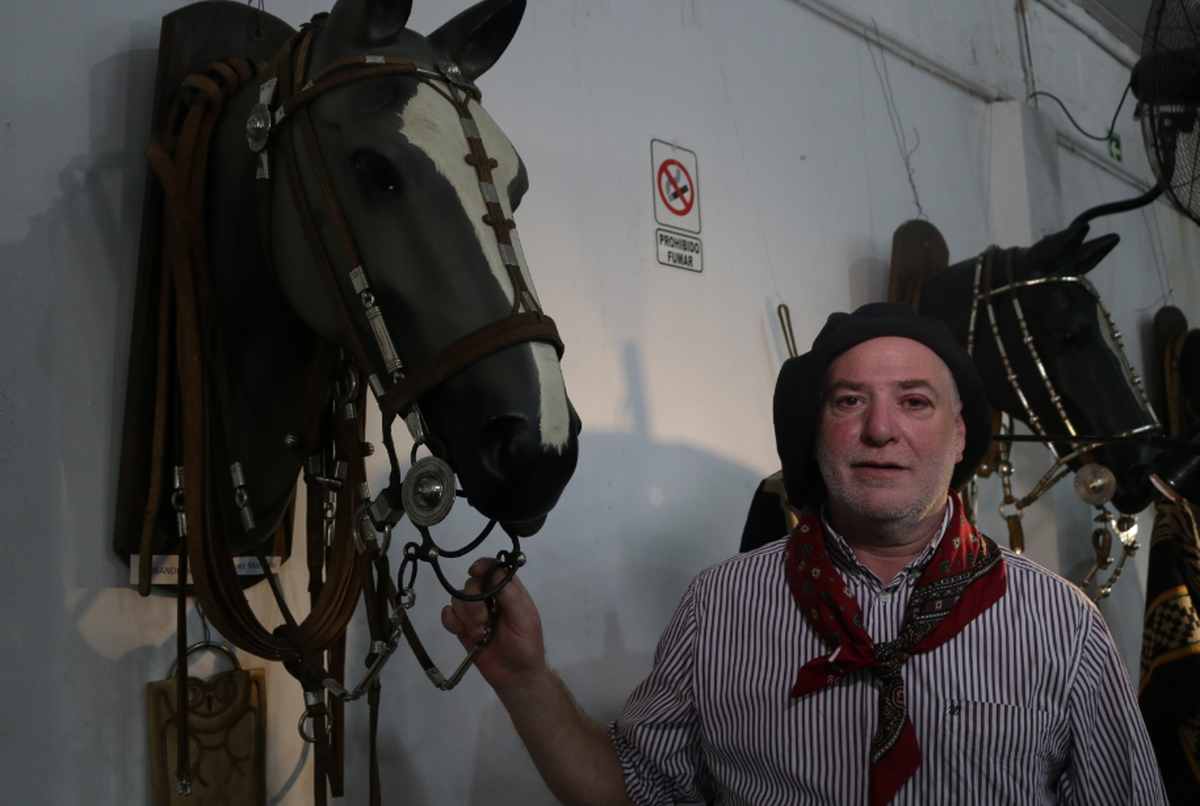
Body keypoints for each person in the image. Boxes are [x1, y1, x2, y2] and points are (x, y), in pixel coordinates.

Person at [442, 302, 1166, 805]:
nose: (880, 429)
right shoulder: (720, 606)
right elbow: (635, 795)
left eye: (915, 402)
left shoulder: (1058, 624)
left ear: (959, 436)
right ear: (816, 436)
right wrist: (527, 680)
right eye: (849, 401)